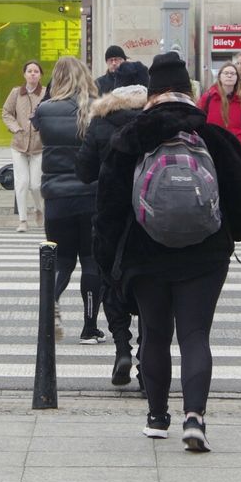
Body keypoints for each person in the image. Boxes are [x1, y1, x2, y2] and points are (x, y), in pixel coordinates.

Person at [94, 52, 241, 452]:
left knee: (154, 333)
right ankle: (195, 417)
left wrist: (111, 267)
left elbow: (106, 210)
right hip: (205, 255)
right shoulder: (215, 136)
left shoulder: (129, 138)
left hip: (145, 254)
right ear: (189, 91)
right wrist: (228, 234)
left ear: (151, 94)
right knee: (194, 334)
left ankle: (156, 417)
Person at [76, 58, 149, 388]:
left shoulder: (102, 119)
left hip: (110, 214)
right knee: (153, 288)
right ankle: (147, 359)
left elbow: (85, 171)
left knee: (109, 281)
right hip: (150, 216)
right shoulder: (155, 118)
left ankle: (122, 347)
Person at [33, 56, 105, 344]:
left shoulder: (44, 110)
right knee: (90, 261)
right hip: (90, 194)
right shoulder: (95, 109)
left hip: (56, 195)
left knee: (62, 259)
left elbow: (39, 139)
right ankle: (90, 327)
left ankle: (51, 305)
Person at [1, 61, 46, 232]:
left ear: (40, 75)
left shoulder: (45, 93)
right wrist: (15, 128)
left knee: (36, 184)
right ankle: (22, 220)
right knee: (21, 183)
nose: (33, 74)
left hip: (38, 145)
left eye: (36, 71)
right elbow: (6, 112)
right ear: (24, 74)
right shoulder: (15, 93)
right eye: (29, 71)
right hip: (19, 144)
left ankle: (38, 208)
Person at [198, 62, 241, 156]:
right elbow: (198, 119)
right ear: (220, 77)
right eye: (226, 73)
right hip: (213, 147)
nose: (229, 76)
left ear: (237, 78)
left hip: (235, 148)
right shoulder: (208, 97)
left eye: (233, 73)